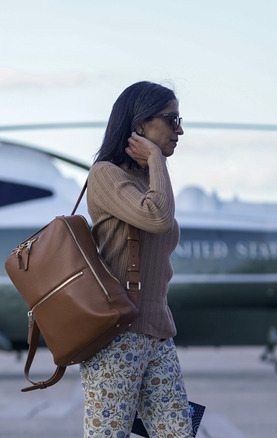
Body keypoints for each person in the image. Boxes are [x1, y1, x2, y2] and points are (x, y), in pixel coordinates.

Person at [81, 81, 193, 437]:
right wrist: (157, 159)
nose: (179, 130)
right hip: (118, 335)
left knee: (178, 432)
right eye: (171, 120)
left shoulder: (149, 180)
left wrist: (155, 166)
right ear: (141, 125)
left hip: (157, 331)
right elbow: (157, 217)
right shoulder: (106, 174)